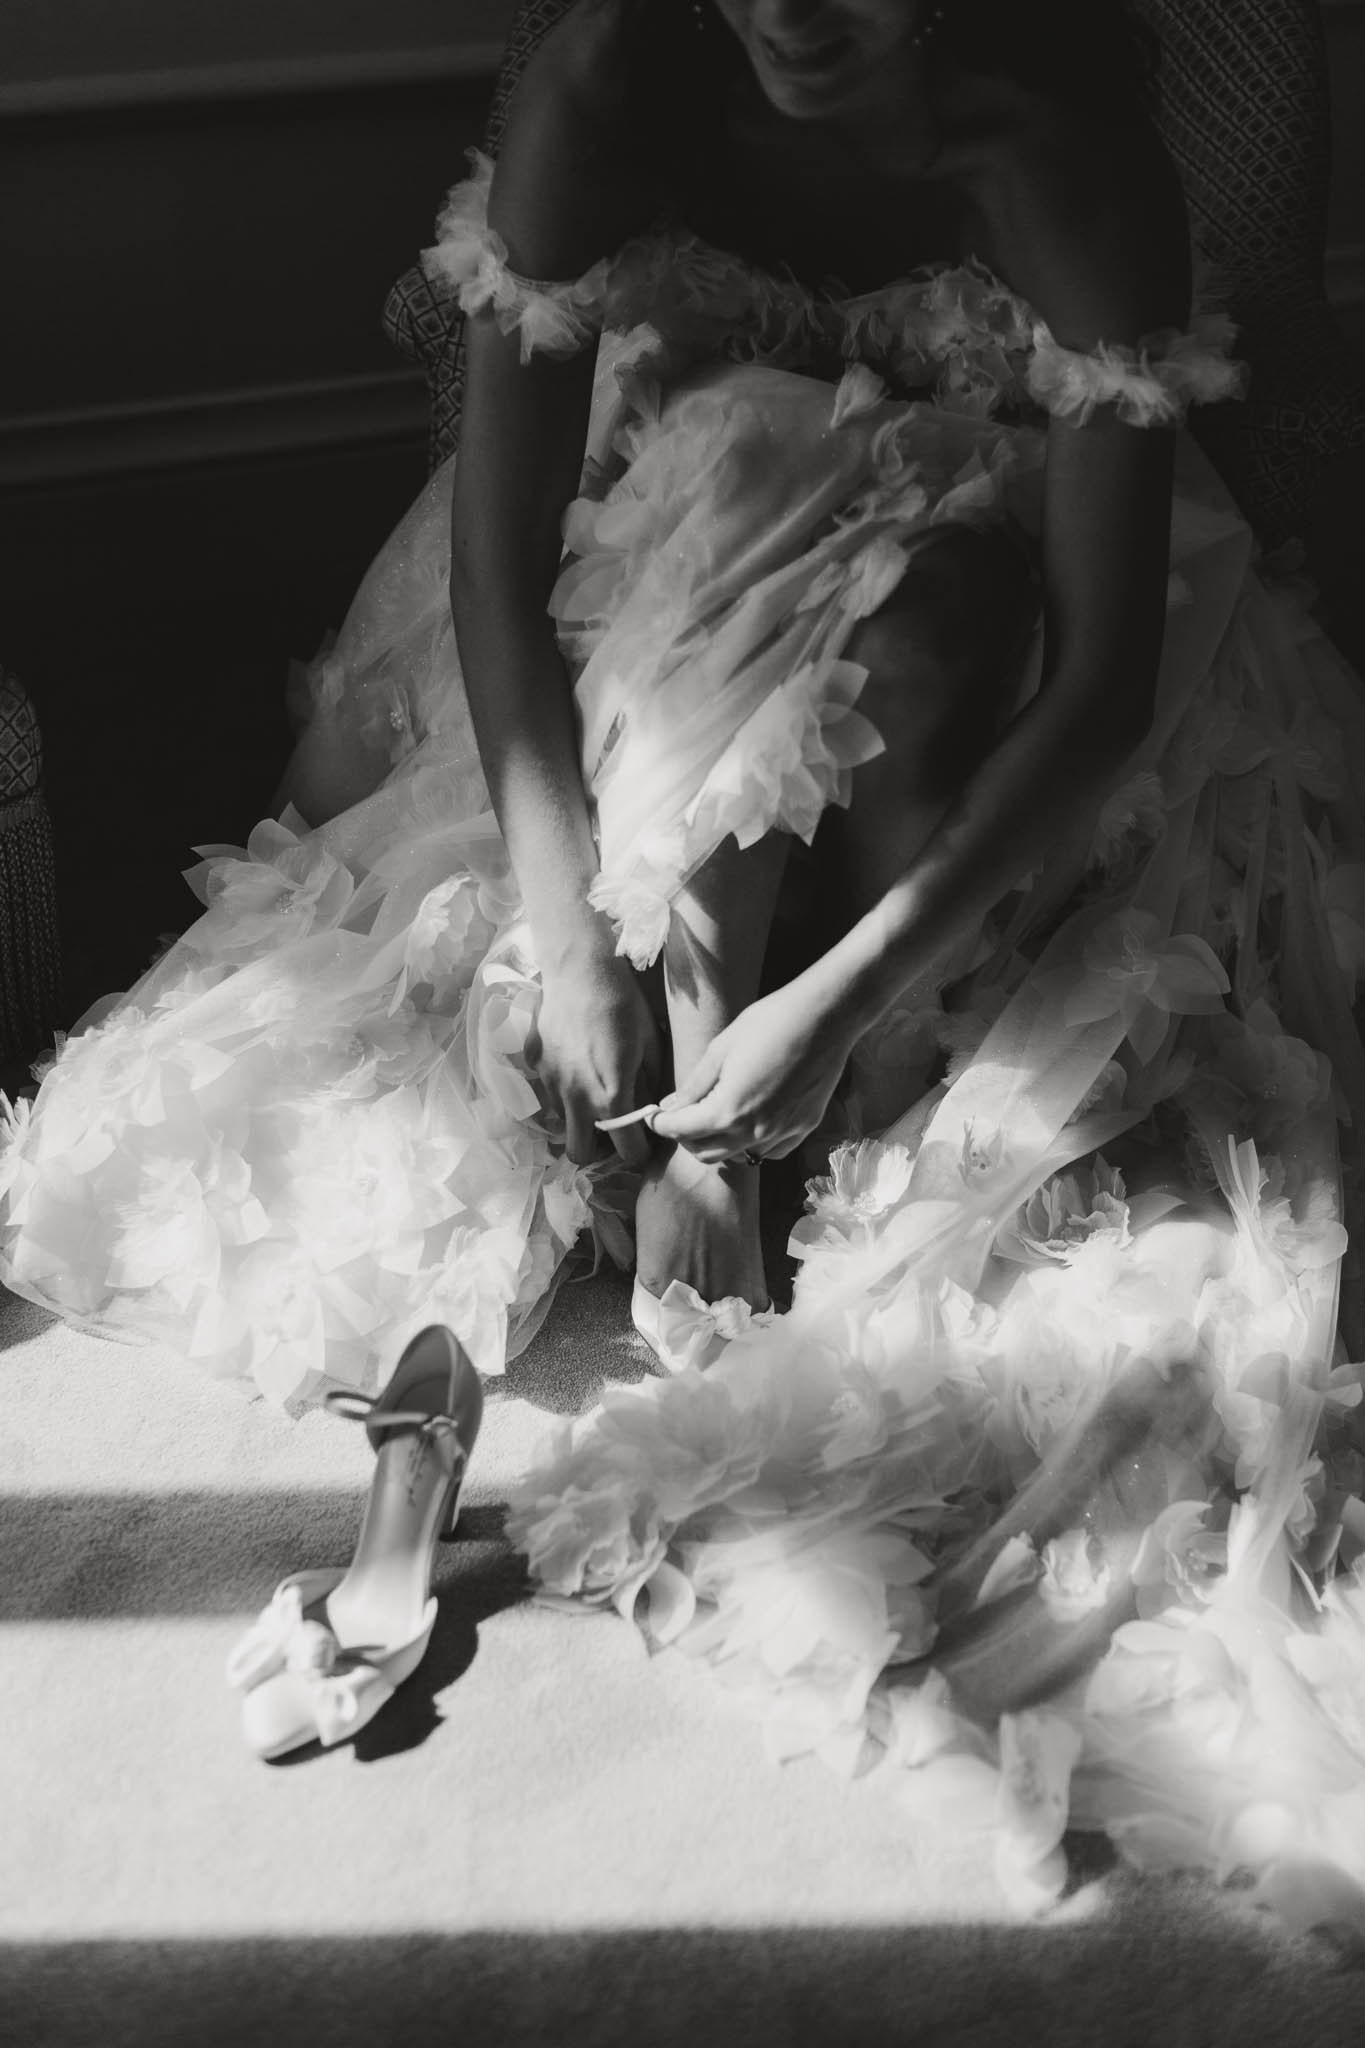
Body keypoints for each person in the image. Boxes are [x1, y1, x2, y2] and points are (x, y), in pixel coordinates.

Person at [4, 0, 1365, 1912]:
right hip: (670, 556)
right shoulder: (608, 80)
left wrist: (846, 995)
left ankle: (754, 1095)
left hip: (1002, 607)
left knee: (898, 661)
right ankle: (691, 1127)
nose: (793, 13)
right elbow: (494, 570)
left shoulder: (1053, 162)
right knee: (722, 561)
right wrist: (568, 932)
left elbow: (1103, 691)